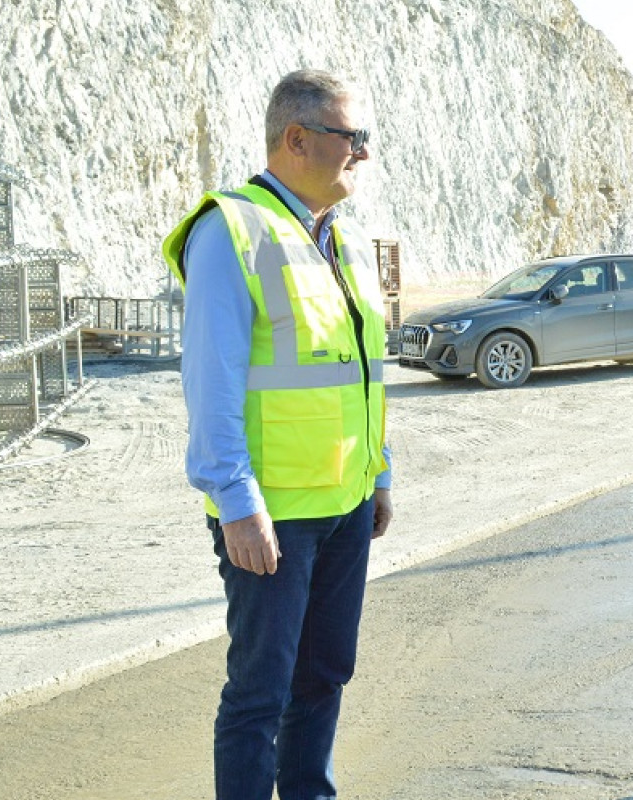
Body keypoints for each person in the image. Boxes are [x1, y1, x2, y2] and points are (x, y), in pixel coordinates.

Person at [161, 69, 394, 800]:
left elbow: (361, 372)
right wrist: (234, 498)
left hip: (345, 503)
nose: (363, 153)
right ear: (297, 139)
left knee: (325, 675)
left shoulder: (343, 240)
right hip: (272, 515)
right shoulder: (231, 228)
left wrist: (378, 475)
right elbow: (213, 378)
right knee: (260, 693)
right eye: (352, 138)